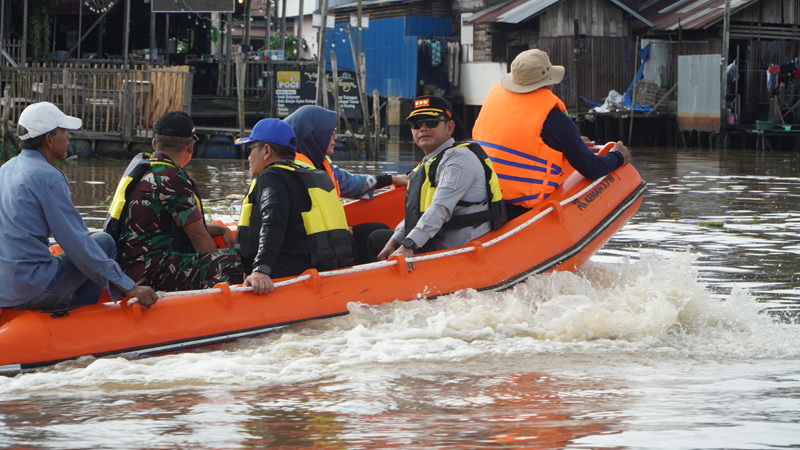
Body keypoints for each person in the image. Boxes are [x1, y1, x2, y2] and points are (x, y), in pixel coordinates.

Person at [0, 102, 158, 310]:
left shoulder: (6, 169)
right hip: (30, 291)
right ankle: (77, 311)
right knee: (104, 242)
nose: (68, 137)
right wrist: (127, 285)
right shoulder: (49, 178)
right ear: (48, 139)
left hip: (5, 289)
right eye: (64, 132)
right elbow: (77, 242)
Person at [472, 49, 631, 220]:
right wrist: (618, 156)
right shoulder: (554, 120)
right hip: (521, 207)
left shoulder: (495, 105)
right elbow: (591, 168)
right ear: (549, 83)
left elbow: (518, 141)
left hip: (485, 198)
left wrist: (570, 143)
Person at [105, 111, 243, 292]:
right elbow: (197, 236)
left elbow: (171, 225)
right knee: (236, 261)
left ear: (155, 144)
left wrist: (220, 229)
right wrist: (216, 262)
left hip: (129, 268)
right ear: (191, 146)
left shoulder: (143, 169)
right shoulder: (172, 178)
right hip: (152, 271)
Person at [369, 96, 506, 267]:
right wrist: (394, 242)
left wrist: (409, 245)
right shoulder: (432, 161)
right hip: (437, 239)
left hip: (457, 247)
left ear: (450, 127)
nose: (423, 128)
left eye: (432, 121)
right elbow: (419, 213)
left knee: (375, 238)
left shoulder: (458, 161)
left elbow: (440, 208)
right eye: (416, 123)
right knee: (378, 238)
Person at [234, 118, 355, 294]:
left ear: (266, 150)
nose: (248, 157)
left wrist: (261, 269)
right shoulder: (312, 176)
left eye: (250, 149)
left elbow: (272, 223)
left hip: (289, 274)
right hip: (321, 270)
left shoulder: (271, 177)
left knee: (222, 264)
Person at [284, 105, 407, 263]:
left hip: (331, 234)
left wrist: (392, 179)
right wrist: (338, 229)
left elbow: (354, 184)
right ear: (313, 134)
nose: (335, 137)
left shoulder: (322, 164)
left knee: (378, 227)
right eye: (330, 132)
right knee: (370, 237)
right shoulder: (294, 171)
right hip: (312, 243)